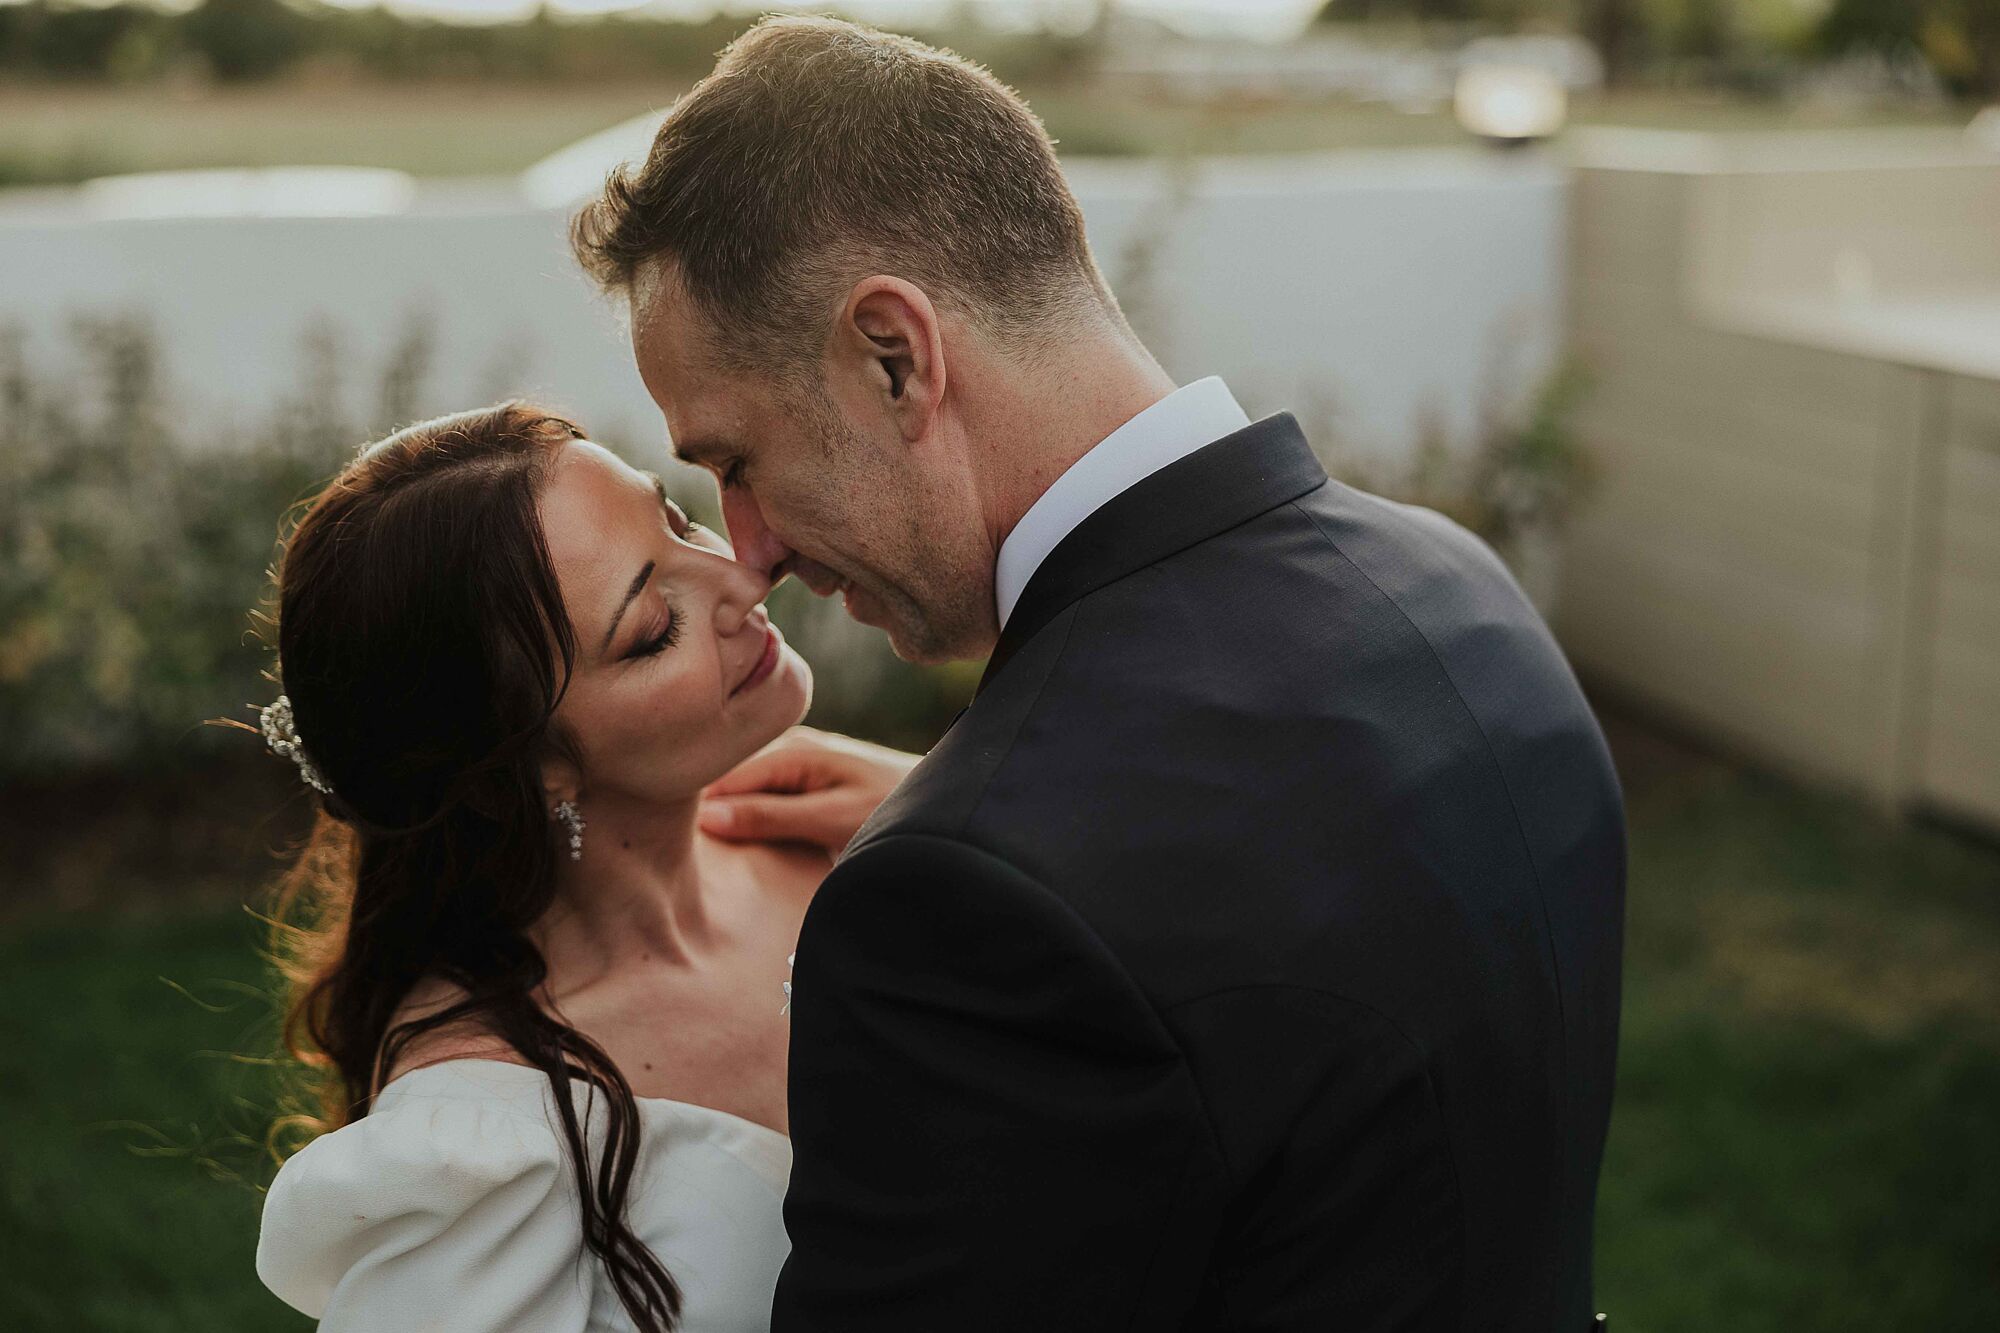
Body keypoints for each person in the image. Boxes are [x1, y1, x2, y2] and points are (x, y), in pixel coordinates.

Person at [572, 15, 1626, 1333]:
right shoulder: (1459, 592)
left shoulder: (969, 907)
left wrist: (980, 850)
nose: (752, 547)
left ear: (896, 358)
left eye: (733, 460)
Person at [250, 403, 909, 1332]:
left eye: (678, 518)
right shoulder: (492, 1143)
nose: (744, 574)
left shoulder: (849, 827)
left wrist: (954, 813)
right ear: (529, 765)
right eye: (652, 628)